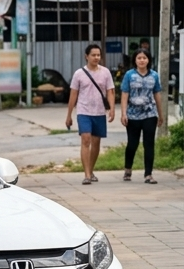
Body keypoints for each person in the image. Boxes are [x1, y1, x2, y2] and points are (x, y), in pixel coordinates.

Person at [65, 43, 116, 185]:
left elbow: (110, 91)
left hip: (99, 112)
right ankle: (86, 174)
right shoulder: (79, 74)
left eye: (98, 55)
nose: (96, 57)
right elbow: (73, 95)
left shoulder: (105, 72)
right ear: (86, 56)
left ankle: (91, 170)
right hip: (83, 111)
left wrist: (112, 108)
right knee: (86, 139)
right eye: (93, 55)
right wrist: (69, 115)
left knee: (96, 142)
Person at [120, 49, 164, 184]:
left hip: (150, 114)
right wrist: (123, 113)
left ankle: (148, 174)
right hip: (133, 115)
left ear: (148, 60)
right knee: (132, 144)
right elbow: (125, 94)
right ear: (135, 60)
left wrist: (160, 114)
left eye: (144, 58)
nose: (142, 60)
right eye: (139, 58)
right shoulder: (129, 75)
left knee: (149, 143)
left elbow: (157, 94)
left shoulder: (154, 76)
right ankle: (128, 168)